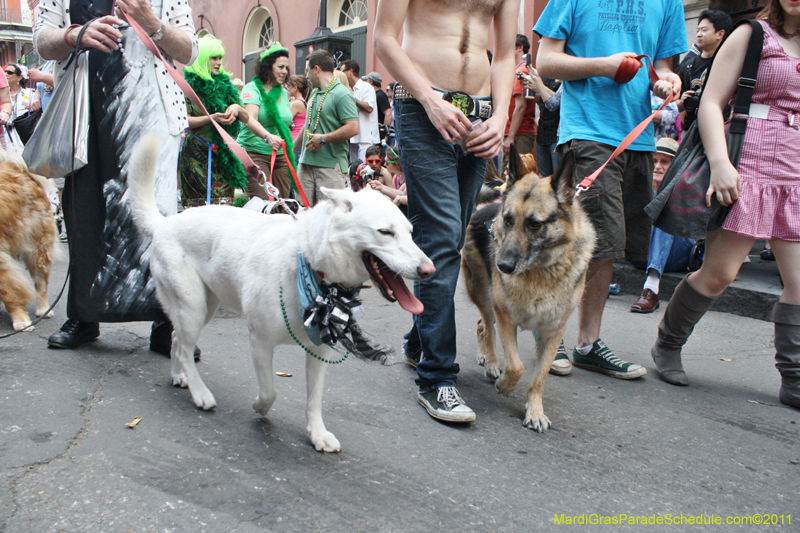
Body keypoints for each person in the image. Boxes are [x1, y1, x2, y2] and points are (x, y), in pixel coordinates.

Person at [650, 0, 800, 411]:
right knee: (719, 275)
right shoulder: (753, 35)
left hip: (796, 172)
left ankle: (795, 378)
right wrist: (720, 163)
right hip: (747, 163)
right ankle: (667, 344)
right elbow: (712, 103)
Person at [374, 0, 517, 423]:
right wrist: (430, 101)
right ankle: (437, 378)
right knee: (442, 235)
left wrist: (502, 116)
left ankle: (420, 344)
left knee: (451, 239)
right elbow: (384, 39)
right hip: (423, 107)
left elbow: (506, 54)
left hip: (481, 115)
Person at [35, 0, 199, 356]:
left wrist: (152, 23)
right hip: (84, 115)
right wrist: (72, 34)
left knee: (159, 218)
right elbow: (41, 40)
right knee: (85, 212)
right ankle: (83, 315)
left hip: (150, 115)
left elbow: (189, 50)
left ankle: (167, 323)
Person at [534, 0, 686, 379]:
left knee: (607, 247)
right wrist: (604, 65)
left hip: (639, 137)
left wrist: (667, 81)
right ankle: (551, 336)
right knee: (581, 242)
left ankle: (587, 344)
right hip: (588, 132)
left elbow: (662, 67)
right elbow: (547, 62)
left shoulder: (668, 3)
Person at [180, 35, 250, 207]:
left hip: (222, 154)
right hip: (196, 155)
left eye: (220, 58)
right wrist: (211, 119)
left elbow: (247, 118)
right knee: (200, 209)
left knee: (224, 206)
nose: (219, 62)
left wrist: (236, 107)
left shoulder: (226, 86)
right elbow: (183, 120)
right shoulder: (188, 87)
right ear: (203, 58)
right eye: (214, 58)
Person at [629, 138, 694, 313]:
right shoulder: (640, 187)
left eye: (664, 162)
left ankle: (651, 287)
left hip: (678, 254)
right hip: (640, 252)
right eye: (654, 161)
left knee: (664, 209)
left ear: (675, 166)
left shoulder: (687, 188)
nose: (657, 166)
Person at [297, 49, 358, 206]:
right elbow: (308, 126)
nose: (306, 76)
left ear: (316, 69)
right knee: (302, 215)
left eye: (307, 71)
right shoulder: (314, 93)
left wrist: (323, 139)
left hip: (330, 168)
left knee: (332, 218)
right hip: (305, 166)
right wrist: (290, 148)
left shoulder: (342, 94)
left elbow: (353, 128)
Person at [237, 42, 296, 200]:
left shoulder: (283, 93)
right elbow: (250, 119)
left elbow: (285, 122)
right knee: (263, 203)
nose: (284, 71)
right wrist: (267, 136)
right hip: (254, 153)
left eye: (286, 68)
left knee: (283, 204)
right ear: (268, 66)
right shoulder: (252, 88)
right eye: (280, 67)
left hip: (280, 155)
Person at [676, 10, 733, 129]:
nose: (699, 34)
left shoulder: (732, 65)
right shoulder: (688, 66)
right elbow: (678, 101)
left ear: (720, 34)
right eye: (697, 30)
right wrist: (683, 102)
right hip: (693, 130)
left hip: (722, 129)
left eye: (704, 30)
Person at [502, 34, 537, 172]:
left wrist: (510, 137)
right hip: (518, 132)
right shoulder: (522, 70)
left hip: (519, 134)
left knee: (511, 175)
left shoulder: (521, 72)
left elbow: (521, 107)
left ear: (519, 48)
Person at [340, 59, 378, 163]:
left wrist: (352, 99)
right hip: (353, 138)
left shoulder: (366, 87)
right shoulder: (349, 89)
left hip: (366, 137)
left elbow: (369, 108)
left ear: (350, 71)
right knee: (354, 169)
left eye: (342, 71)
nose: (341, 75)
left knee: (364, 169)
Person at [4, 64, 40, 151]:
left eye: (10, 72)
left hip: (24, 135)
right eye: (5, 72)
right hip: (6, 135)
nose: (6, 74)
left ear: (19, 77)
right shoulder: (3, 97)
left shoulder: (30, 94)